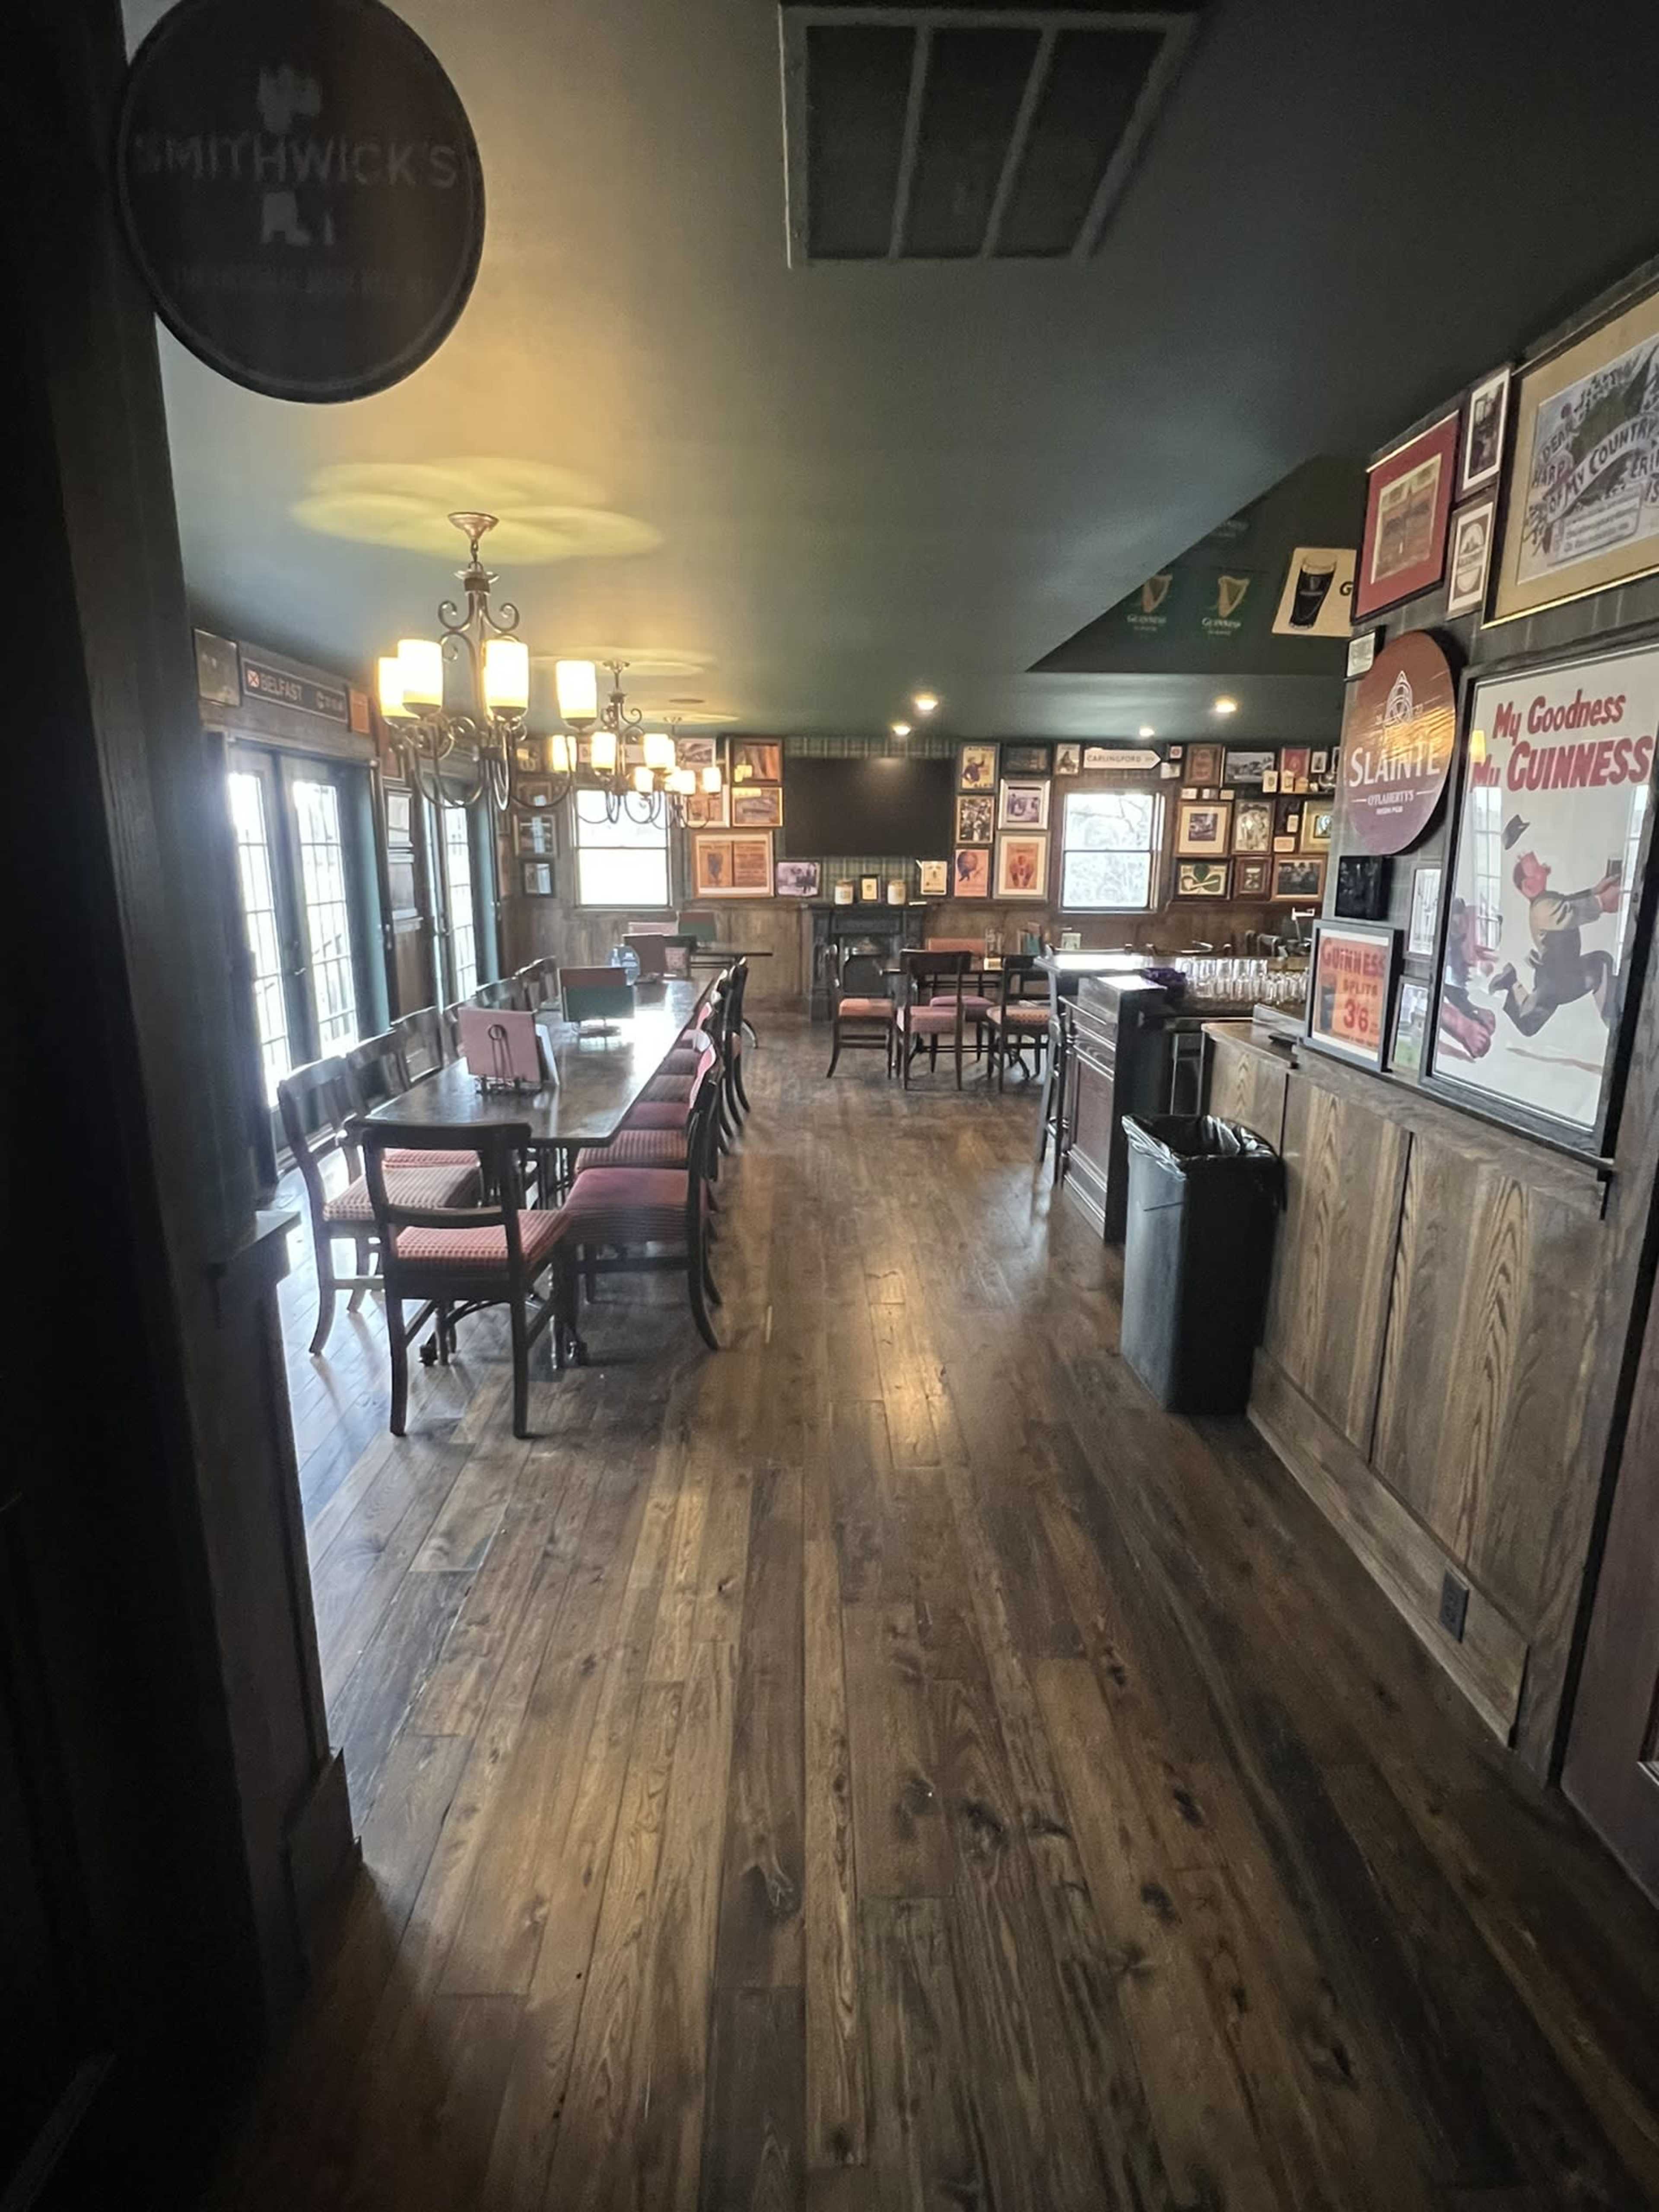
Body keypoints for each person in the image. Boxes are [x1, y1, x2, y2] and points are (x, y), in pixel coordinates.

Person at [1486, 849, 1622, 1038]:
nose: (1542, 869)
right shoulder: (1543, 909)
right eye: (1537, 869)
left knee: (1600, 964)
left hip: (1561, 971)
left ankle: (1511, 982)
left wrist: (1594, 891)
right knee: (1528, 1025)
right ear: (1529, 886)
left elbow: (1569, 900)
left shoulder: (1546, 899)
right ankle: (1615, 1025)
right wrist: (1601, 902)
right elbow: (1571, 911)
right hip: (1557, 978)